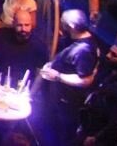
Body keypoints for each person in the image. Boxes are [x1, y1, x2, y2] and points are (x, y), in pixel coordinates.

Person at [34, 10, 100, 146]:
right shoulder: (73, 39)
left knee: (60, 138)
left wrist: (58, 76)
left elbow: (85, 80)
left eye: (63, 23)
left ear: (72, 26)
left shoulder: (84, 50)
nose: (61, 26)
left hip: (66, 106)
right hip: (58, 101)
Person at [77, 38, 117, 146]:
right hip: (87, 122)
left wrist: (96, 137)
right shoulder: (109, 71)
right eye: (109, 51)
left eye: (114, 55)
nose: (108, 56)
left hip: (98, 135)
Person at [0, 9, 48, 80]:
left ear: (31, 24)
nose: (23, 29)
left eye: (27, 25)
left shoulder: (39, 45)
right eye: (19, 25)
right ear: (13, 24)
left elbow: (41, 71)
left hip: (23, 84)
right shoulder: (1, 34)